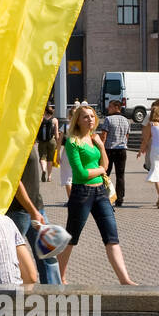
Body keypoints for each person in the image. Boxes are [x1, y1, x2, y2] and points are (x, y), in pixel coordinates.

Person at [60, 103, 135, 283]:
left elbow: (106, 165)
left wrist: (101, 147)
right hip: (81, 193)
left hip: (101, 193)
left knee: (112, 237)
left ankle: (125, 280)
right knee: (71, 237)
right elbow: (81, 173)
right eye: (85, 116)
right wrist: (101, 170)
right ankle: (60, 277)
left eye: (92, 116)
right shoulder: (72, 142)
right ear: (77, 120)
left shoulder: (94, 140)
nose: (90, 119)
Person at [5, 144, 62, 285]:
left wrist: (35, 209)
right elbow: (14, 181)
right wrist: (32, 211)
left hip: (36, 207)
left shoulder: (29, 138)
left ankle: (54, 296)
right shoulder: (13, 141)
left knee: (49, 256)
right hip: (19, 211)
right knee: (11, 258)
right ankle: (11, 296)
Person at [98, 97, 130, 207]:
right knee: (120, 176)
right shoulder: (126, 120)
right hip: (122, 150)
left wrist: (100, 148)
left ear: (117, 107)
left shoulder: (108, 119)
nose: (108, 108)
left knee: (105, 173)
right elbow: (127, 136)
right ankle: (120, 199)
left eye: (110, 106)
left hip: (109, 150)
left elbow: (104, 136)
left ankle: (103, 196)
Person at [36, 104, 59, 182]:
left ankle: (43, 170)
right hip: (51, 141)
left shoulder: (40, 119)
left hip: (42, 141)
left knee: (42, 157)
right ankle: (49, 176)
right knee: (50, 159)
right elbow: (56, 134)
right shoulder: (55, 120)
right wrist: (58, 143)